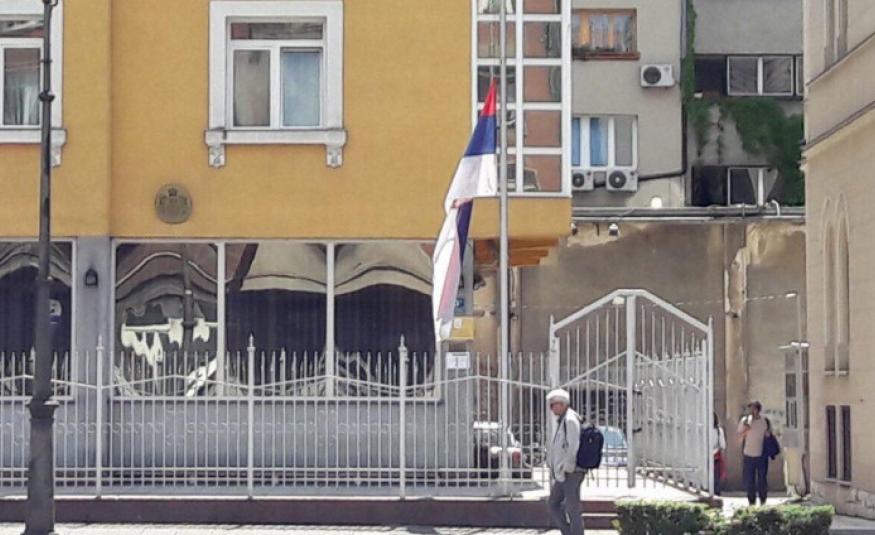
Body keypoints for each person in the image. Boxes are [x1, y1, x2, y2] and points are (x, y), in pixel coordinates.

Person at [546, 388, 585, 535]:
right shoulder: (563, 420)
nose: (551, 408)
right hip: (564, 472)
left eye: (553, 405)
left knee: (572, 508)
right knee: (554, 504)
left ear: (562, 404)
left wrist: (567, 467)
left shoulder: (570, 420)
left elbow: (573, 445)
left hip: (571, 471)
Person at [737, 400, 771, 505]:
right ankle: (751, 501)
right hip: (748, 454)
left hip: (761, 455)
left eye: (754, 409)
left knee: (762, 479)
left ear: (758, 410)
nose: (752, 412)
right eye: (750, 409)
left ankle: (763, 500)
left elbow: (768, 435)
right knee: (749, 479)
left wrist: (768, 434)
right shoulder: (745, 421)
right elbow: (739, 438)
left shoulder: (764, 421)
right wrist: (746, 429)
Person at [712, 412, 727, 495]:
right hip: (705, 457)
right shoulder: (703, 429)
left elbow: (722, 445)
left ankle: (716, 492)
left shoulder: (719, 431)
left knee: (716, 477)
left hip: (716, 457)